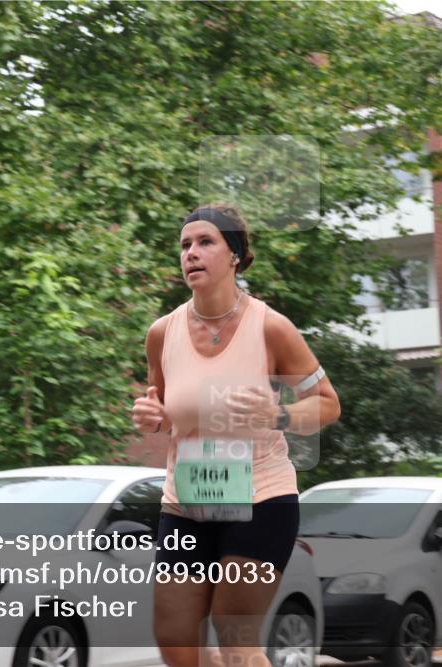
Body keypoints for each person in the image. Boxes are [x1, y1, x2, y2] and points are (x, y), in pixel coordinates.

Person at [131, 203, 341, 667]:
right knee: (174, 637)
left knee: (235, 638)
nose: (192, 253)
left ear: (235, 255)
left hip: (261, 497)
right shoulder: (161, 334)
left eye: (206, 243)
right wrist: (154, 417)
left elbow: (328, 403)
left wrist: (279, 414)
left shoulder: (271, 327)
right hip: (187, 500)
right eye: (185, 245)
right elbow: (165, 409)